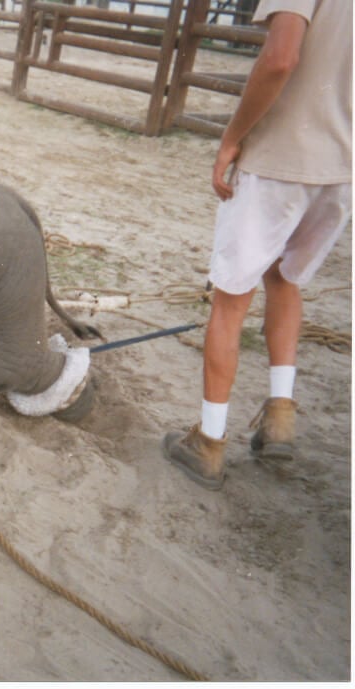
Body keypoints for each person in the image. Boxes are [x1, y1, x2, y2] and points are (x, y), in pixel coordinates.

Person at [162, 0, 351, 490]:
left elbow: (280, 57)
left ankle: (208, 441)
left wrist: (232, 136)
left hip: (278, 160)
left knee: (231, 300)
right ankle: (279, 420)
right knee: (284, 279)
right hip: (340, 165)